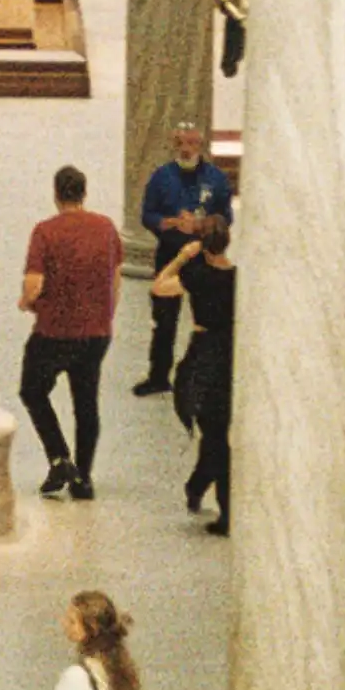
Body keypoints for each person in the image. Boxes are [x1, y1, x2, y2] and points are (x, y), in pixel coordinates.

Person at [18, 164, 122, 501]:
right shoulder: (105, 227)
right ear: (84, 192)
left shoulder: (45, 232)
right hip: (95, 332)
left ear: (56, 194)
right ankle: (85, 479)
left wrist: (25, 300)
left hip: (53, 331)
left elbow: (35, 285)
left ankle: (60, 457)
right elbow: (116, 275)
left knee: (32, 390)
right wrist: (107, 315)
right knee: (86, 403)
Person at [152, 212, 237, 532]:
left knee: (214, 435)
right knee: (216, 429)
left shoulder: (197, 275)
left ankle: (224, 510)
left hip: (202, 356)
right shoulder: (238, 278)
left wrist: (179, 258)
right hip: (230, 355)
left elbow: (160, 287)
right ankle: (197, 485)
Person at [133, 124, 233, 393]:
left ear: (200, 146)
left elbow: (227, 217)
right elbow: (147, 214)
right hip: (170, 254)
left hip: (205, 255)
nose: (186, 149)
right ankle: (159, 375)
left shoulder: (215, 179)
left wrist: (200, 225)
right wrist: (168, 223)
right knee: (164, 319)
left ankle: (211, 373)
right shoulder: (161, 177)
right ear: (174, 144)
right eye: (180, 143)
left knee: (210, 318)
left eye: (191, 143)